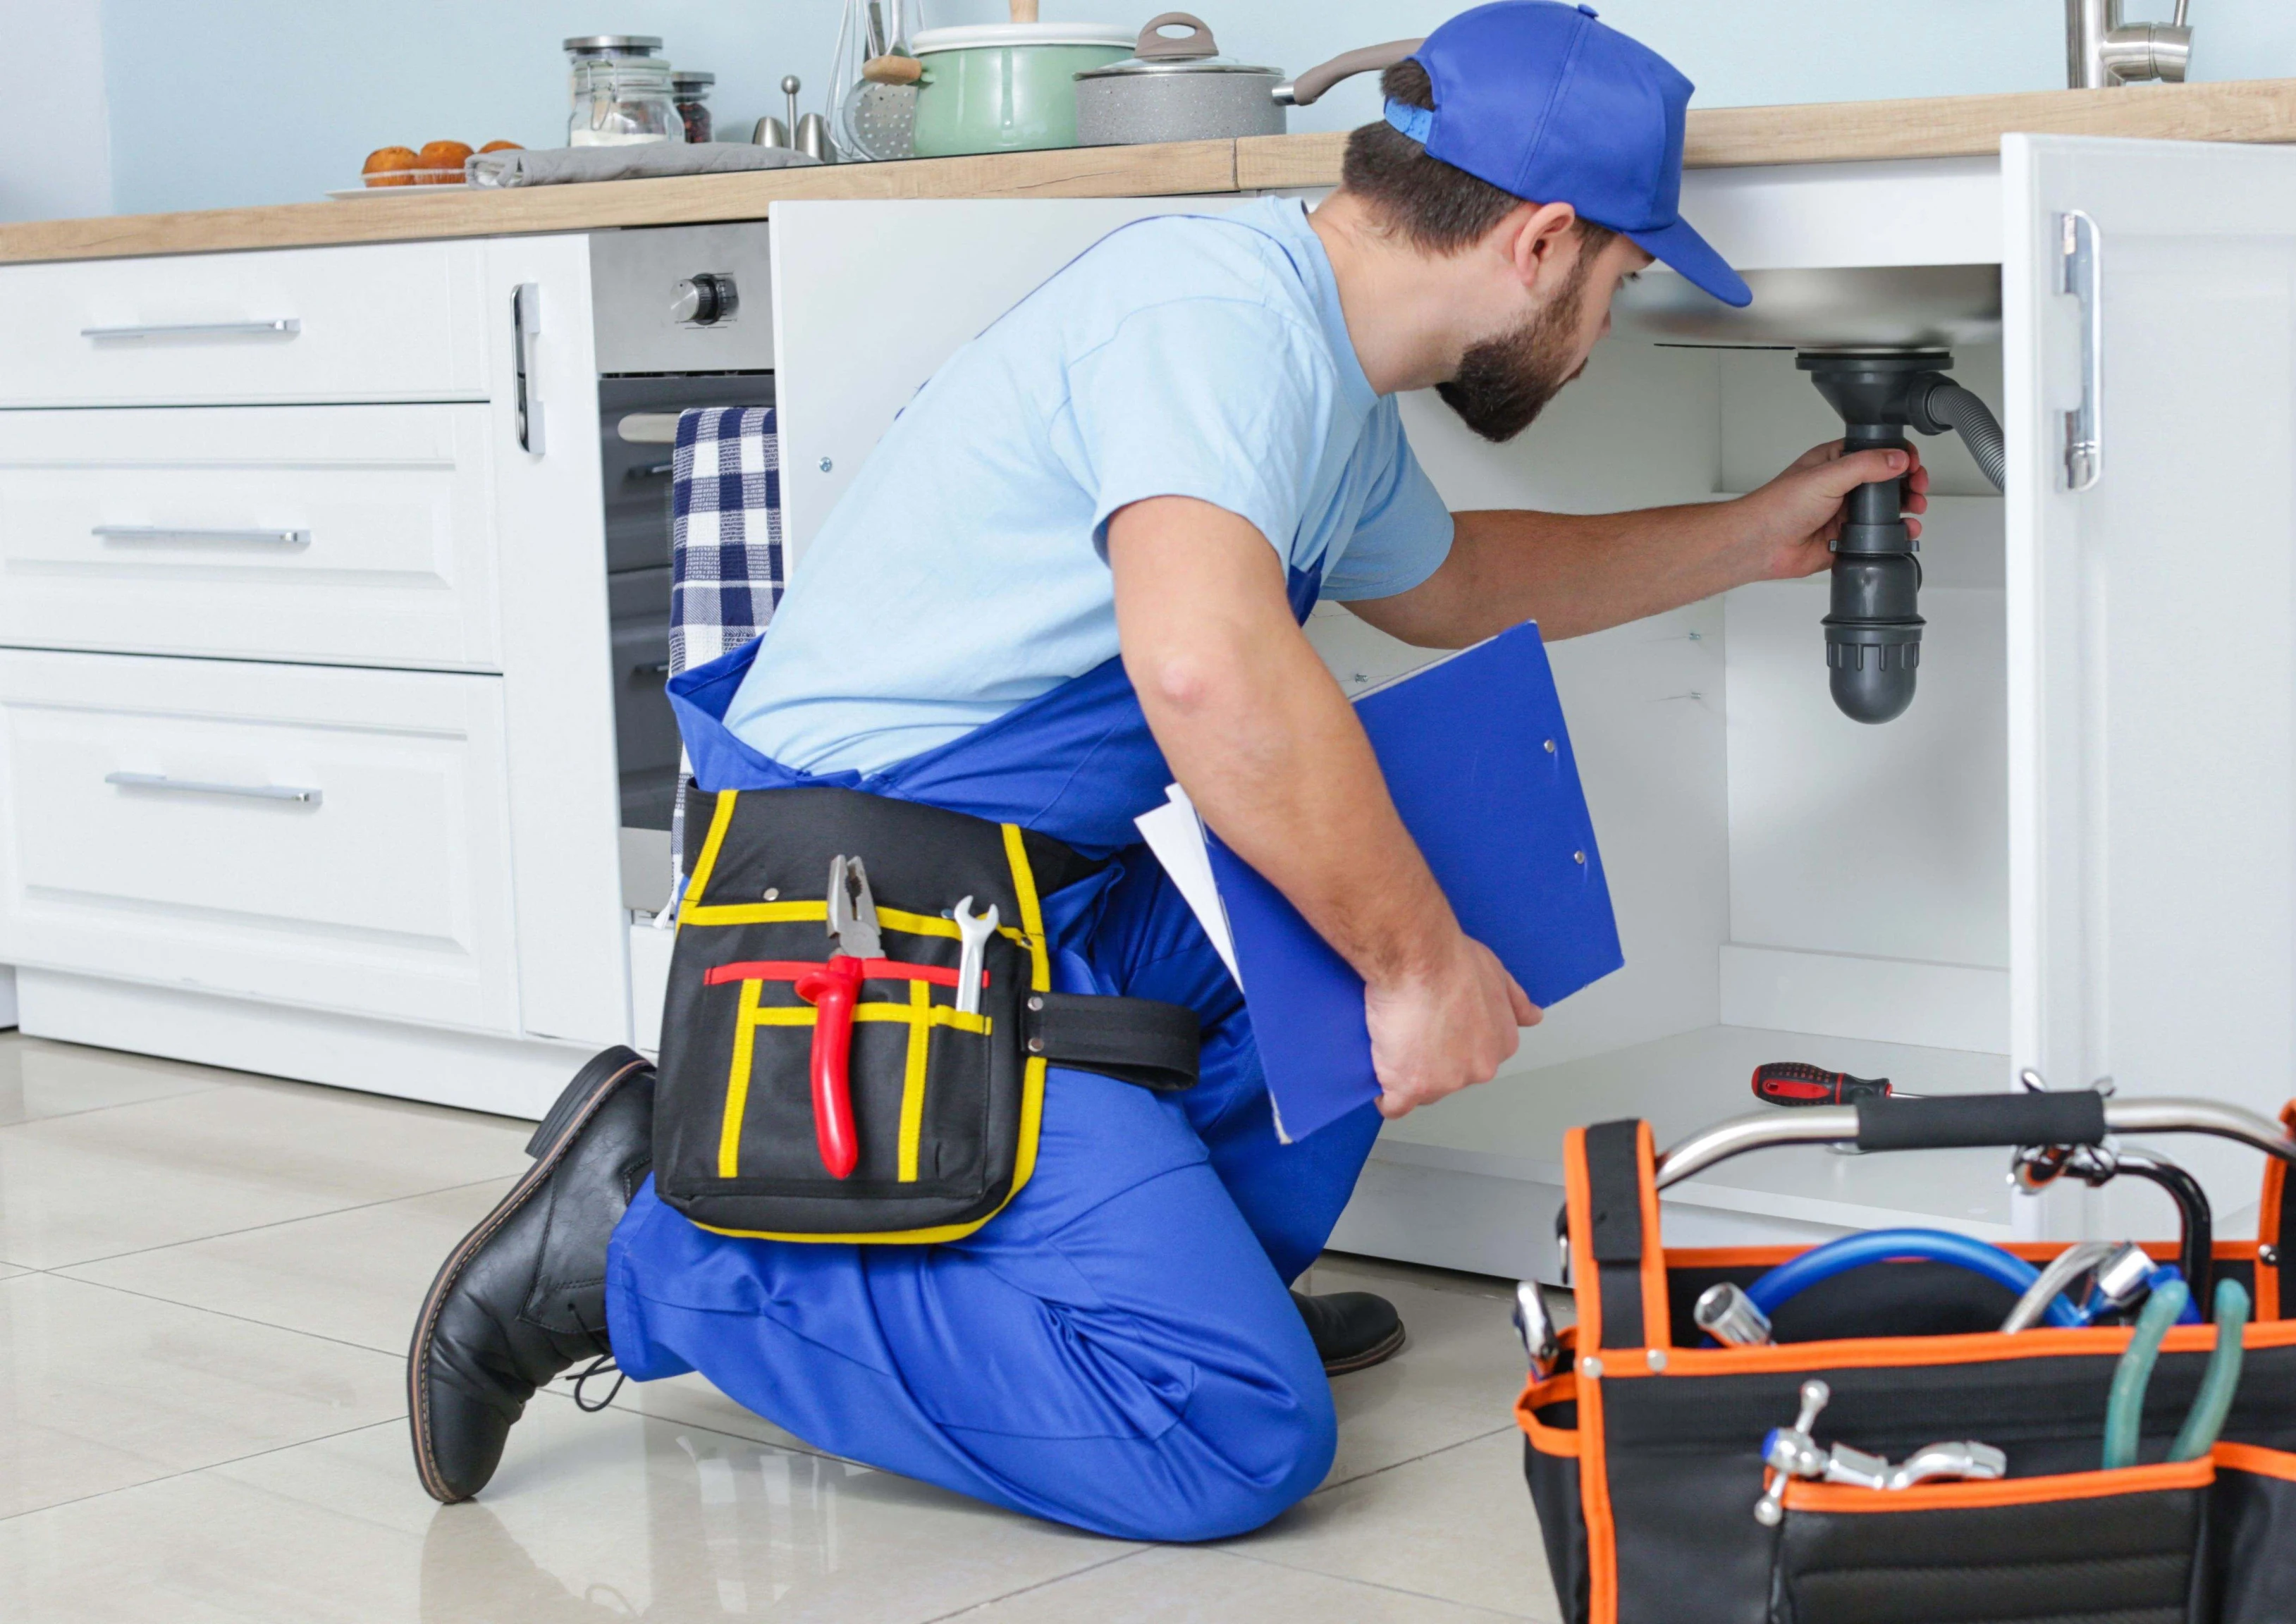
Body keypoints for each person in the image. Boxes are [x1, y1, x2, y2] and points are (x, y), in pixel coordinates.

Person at [408, 0, 1924, 1542]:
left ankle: (1187, 1276)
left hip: (1027, 890)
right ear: (1540, 243)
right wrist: (1410, 969)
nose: (1603, 331)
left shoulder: (1315, 364)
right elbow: (1201, 667)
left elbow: (1455, 584)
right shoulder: (1218, 320)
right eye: (1621, 280)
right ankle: (638, 1253)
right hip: (880, 916)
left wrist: (1748, 536)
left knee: (1425, 859)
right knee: (1225, 1434)